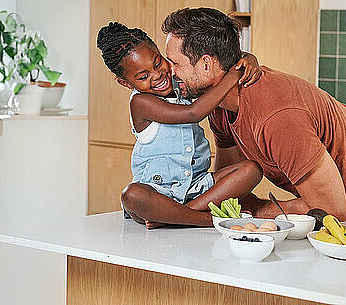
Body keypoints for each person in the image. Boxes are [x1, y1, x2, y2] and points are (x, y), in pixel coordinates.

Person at [163, 7, 346, 222]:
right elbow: (228, 181)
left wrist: (258, 210)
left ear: (207, 64)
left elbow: (331, 210)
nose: (170, 73)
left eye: (176, 63)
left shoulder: (276, 117)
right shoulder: (220, 107)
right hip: (344, 201)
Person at [96, 22, 263, 228]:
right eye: (143, 76)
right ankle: (207, 220)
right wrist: (234, 76)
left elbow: (217, 63)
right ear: (127, 83)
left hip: (197, 187)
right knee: (131, 195)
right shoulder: (140, 103)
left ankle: (177, 217)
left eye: (158, 63)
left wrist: (248, 59)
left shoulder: (180, 82)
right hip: (158, 193)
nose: (157, 76)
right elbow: (192, 113)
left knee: (252, 169)